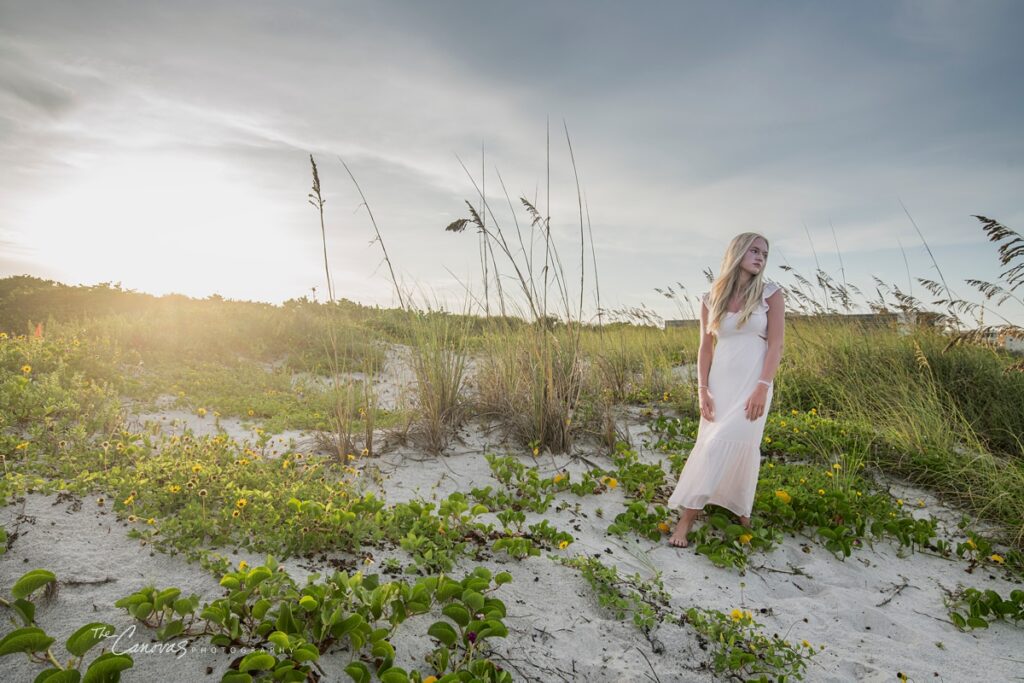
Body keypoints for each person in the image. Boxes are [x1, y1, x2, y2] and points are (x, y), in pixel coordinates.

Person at [667, 232, 784, 548]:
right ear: (738, 253)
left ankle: (737, 514)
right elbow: (706, 348)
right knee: (713, 445)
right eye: (755, 251)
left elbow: (776, 345)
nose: (760, 257)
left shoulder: (771, 295)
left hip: (753, 385)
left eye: (765, 253)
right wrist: (702, 390)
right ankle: (695, 519)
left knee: (735, 444)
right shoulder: (710, 298)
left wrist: (763, 387)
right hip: (720, 384)